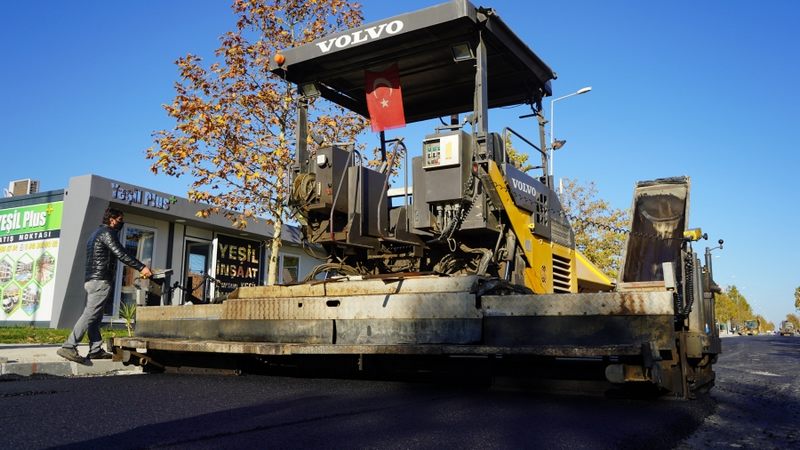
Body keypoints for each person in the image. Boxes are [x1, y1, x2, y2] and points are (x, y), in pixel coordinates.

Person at [57, 207, 152, 362]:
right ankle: (68, 346)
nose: (121, 223)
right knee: (90, 314)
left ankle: (95, 350)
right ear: (112, 219)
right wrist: (142, 267)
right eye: (120, 220)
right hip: (100, 280)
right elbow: (121, 253)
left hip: (91, 280)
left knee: (96, 316)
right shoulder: (107, 233)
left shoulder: (95, 234)